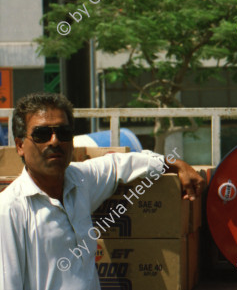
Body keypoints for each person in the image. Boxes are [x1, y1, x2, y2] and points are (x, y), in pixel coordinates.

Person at [0, 92, 205, 290]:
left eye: (63, 133)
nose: (54, 141)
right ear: (20, 146)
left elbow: (119, 165)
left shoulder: (80, 181)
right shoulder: (10, 209)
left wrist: (173, 164)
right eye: (42, 134)